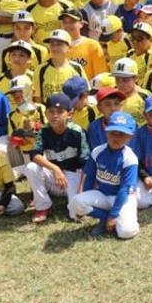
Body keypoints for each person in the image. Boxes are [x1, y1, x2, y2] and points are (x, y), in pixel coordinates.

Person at [70, 111, 140, 239]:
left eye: (122, 134)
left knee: (126, 232)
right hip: (103, 195)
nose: (116, 138)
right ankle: (104, 217)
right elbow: (89, 176)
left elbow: (124, 190)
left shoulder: (130, 158)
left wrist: (114, 215)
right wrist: (85, 196)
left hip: (123, 198)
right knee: (76, 202)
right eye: (113, 133)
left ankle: (116, 217)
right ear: (106, 132)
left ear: (130, 137)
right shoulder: (98, 151)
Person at [23, 93, 89, 223]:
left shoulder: (77, 132)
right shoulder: (44, 130)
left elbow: (86, 163)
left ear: (69, 114)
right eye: (51, 111)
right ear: (46, 114)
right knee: (31, 167)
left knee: (75, 214)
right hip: (55, 176)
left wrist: (82, 190)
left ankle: (74, 198)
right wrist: (55, 169)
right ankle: (43, 206)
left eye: (60, 112)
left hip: (73, 174)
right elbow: (34, 153)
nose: (55, 115)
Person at [33, 29, 87, 102]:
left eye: (59, 44)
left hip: (72, 111)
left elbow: (84, 94)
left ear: (69, 47)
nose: (55, 48)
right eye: (52, 44)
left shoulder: (77, 68)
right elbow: (38, 98)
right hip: (49, 112)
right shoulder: (41, 69)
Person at [60, 8, 107, 79]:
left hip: (87, 89)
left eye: (72, 21)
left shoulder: (92, 45)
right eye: (65, 22)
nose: (68, 25)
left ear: (81, 24)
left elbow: (101, 76)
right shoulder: (56, 46)